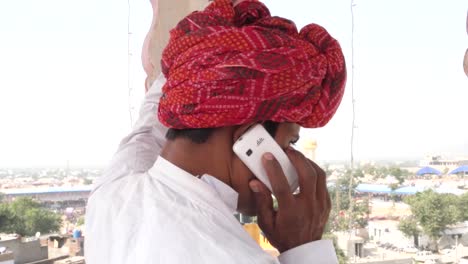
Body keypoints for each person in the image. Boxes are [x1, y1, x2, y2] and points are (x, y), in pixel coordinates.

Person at [85, 0, 346, 263]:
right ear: (250, 134)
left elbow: (150, 122)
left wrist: (209, 51)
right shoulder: (235, 256)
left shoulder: (112, 193)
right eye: (290, 143)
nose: (290, 161)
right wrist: (306, 247)